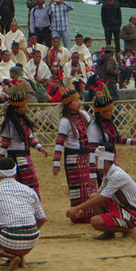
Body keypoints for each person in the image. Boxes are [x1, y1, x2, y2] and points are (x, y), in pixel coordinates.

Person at [0, 158, 47, 271]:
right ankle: (21, 258)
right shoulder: (29, 190)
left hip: (9, 238)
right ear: (15, 173)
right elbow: (42, 219)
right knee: (19, 239)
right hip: (32, 237)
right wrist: (29, 230)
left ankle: (12, 257)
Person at [66, 145, 136, 239]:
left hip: (132, 212)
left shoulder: (116, 175)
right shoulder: (110, 173)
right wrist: (81, 208)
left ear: (105, 161)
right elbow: (99, 194)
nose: (95, 163)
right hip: (124, 207)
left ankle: (129, 230)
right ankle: (109, 233)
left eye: (97, 159)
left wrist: (77, 207)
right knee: (93, 197)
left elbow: (102, 197)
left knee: (95, 221)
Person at [0, 81, 48, 197]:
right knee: (26, 184)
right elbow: (5, 145)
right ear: (15, 109)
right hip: (18, 158)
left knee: (30, 183)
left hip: (25, 156)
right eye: (23, 106)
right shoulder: (10, 123)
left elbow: (29, 137)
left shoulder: (22, 121)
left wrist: (40, 148)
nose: (26, 108)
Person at [52, 83, 94, 224]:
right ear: (69, 105)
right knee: (76, 186)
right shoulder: (64, 121)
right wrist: (56, 163)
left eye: (78, 100)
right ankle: (77, 215)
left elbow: (93, 128)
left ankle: (89, 212)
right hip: (72, 157)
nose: (79, 103)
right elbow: (59, 143)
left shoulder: (84, 115)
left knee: (88, 184)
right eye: (75, 101)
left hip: (86, 155)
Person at [88, 84, 136, 184]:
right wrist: (92, 175)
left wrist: (132, 142)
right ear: (101, 112)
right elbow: (92, 153)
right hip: (102, 165)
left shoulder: (107, 124)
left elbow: (116, 138)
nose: (111, 113)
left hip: (111, 161)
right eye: (109, 111)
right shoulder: (94, 128)